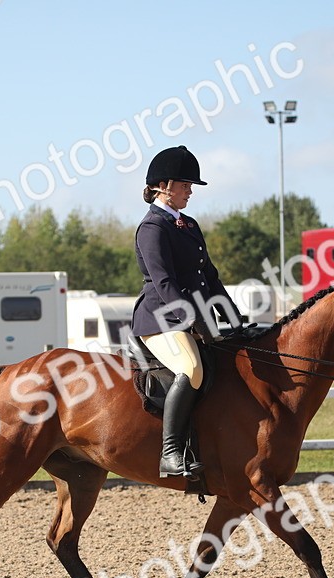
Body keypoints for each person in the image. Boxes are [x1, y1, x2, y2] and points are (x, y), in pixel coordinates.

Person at [131, 145, 243, 478]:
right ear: (164, 186)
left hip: (192, 317)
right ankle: (170, 453)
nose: (190, 191)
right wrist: (191, 320)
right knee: (192, 367)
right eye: (185, 185)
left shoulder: (188, 225)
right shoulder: (152, 228)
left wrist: (233, 318)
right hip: (160, 319)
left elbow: (210, 276)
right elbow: (164, 282)